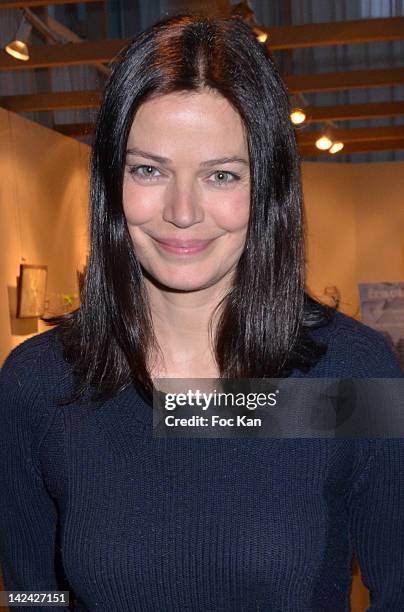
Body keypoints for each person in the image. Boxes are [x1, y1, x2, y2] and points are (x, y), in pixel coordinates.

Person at [0, 14, 403, 612]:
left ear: (266, 189)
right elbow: (32, 592)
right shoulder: (40, 384)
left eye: (220, 175)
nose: (182, 212)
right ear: (111, 183)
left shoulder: (350, 376)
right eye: (149, 170)